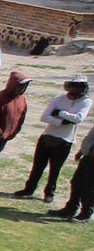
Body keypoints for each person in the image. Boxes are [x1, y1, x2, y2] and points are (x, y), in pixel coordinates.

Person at [15, 75, 92, 204]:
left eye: (80, 86)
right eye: (75, 86)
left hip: (65, 140)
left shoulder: (86, 101)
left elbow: (79, 118)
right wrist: (63, 122)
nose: (78, 89)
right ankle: (29, 189)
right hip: (48, 136)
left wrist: (60, 113)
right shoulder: (58, 99)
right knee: (38, 166)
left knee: (55, 169)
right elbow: (44, 117)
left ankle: (49, 193)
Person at [47, 121, 94, 221]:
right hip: (88, 156)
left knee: (89, 187)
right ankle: (70, 209)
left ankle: (86, 213)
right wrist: (82, 151)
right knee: (76, 182)